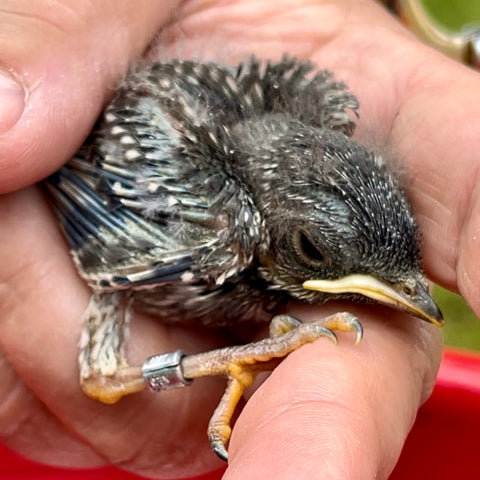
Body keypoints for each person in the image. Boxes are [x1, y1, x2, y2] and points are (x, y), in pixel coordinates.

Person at [0, 0, 475, 478]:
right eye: (311, 249)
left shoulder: (303, 130)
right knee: (106, 375)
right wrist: (236, 357)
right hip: (47, 160)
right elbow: (99, 373)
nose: (415, 294)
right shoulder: (221, 229)